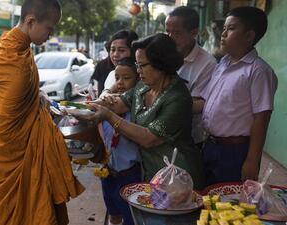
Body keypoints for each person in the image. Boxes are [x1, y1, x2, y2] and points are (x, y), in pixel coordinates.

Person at [0, 0, 84, 225]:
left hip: (10, 143)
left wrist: (39, 97)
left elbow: (21, 97)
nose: (51, 34)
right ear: (30, 21)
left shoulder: (9, 43)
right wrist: (39, 107)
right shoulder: (16, 61)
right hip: (15, 151)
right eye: (49, 28)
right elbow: (9, 120)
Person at [82, 33, 205, 190]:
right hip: (152, 173)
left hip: (178, 178)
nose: (138, 70)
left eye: (142, 65)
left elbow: (149, 138)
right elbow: (117, 104)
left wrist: (108, 116)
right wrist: (79, 109)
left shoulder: (178, 98)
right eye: (136, 64)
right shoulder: (144, 86)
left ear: (161, 65)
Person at [198, 6, 278, 186]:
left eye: (231, 28)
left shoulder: (258, 71)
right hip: (210, 145)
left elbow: (261, 118)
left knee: (228, 202)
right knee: (207, 197)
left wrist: (252, 160)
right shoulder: (222, 64)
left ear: (249, 36)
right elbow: (205, 101)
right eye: (224, 28)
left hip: (235, 150)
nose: (223, 34)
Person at [165, 6, 217, 147]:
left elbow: (199, 104)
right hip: (162, 134)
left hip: (190, 139)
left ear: (193, 33)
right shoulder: (163, 53)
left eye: (176, 33)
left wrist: (159, 104)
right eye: (167, 32)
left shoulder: (207, 64)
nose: (169, 38)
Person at [100, 57, 141, 225]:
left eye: (126, 78)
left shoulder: (138, 109)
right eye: (117, 78)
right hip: (108, 172)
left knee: (131, 217)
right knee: (113, 213)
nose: (120, 83)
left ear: (138, 79)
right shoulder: (108, 103)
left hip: (130, 174)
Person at [100, 30, 139, 96]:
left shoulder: (141, 77)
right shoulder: (111, 75)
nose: (115, 54)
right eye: (112, 50)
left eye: (121, 50)